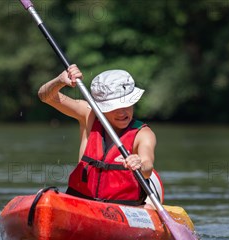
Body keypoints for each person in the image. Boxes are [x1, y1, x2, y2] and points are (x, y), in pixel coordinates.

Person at [38, 64, 163, 206]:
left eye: (127, 105)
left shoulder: (143, 134)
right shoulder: (88, 115)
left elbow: (147, 168)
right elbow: (45, 96)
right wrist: (60, 80)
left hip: (123, 208)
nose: (122, 113)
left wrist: (139, 164)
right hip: (80, 202)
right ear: (101, 107)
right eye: (114, 107)